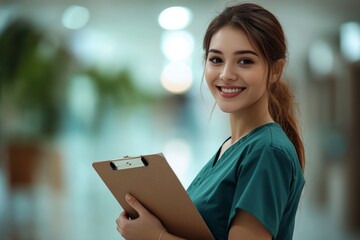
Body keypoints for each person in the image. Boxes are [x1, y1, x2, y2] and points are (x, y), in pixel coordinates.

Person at [116, 2, 305, 240]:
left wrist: (157, 237)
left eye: (245, 61)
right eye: (216, 60)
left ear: (276, 70)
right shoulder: (232, 146)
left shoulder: (266, 152)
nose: (226, 74)